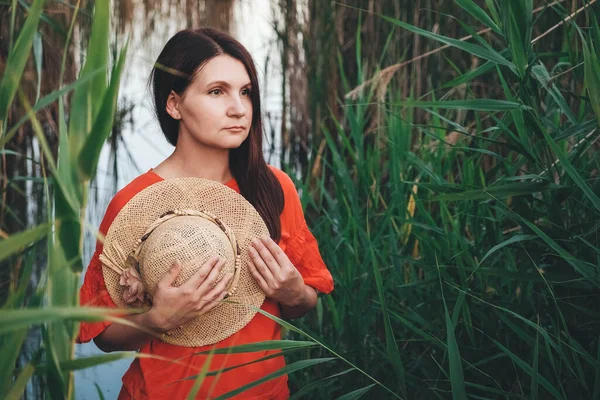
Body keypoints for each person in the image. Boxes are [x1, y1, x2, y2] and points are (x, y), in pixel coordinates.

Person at [77, 28, 334, 399]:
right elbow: (100, 333)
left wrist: (294, 293)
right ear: (174, 105)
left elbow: (305, 299)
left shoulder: (273, 187)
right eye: (217, 92)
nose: (239, 108)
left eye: (245, 92)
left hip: (264, 392)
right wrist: (156, 320)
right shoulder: (136, 203)